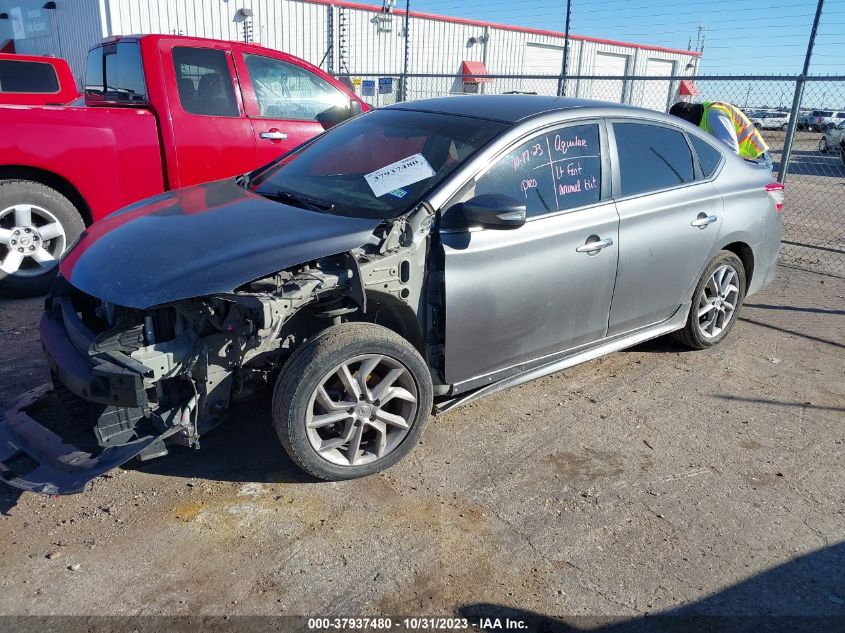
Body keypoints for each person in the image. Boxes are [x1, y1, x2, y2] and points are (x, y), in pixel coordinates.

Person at [669, 101, 773, 170]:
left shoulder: (714, 114)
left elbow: (730, 149)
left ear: (687, 112)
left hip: (756, 160)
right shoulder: (704, 115)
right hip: (744, 160)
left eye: (682, 121)